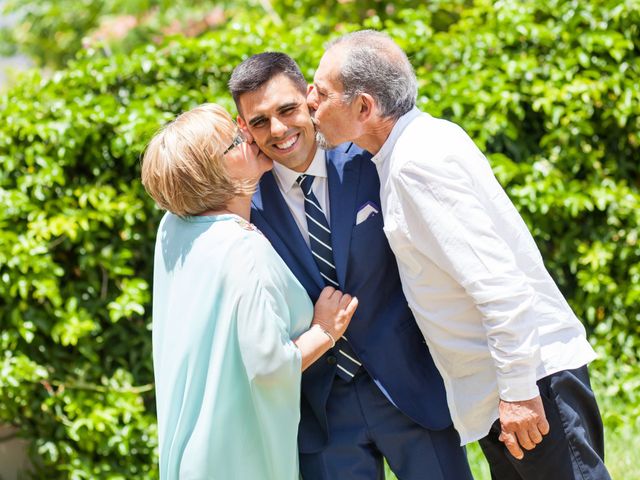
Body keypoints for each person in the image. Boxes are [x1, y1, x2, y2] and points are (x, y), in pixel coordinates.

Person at [307, 29, 611, 480]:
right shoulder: (410, 147)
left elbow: (499, 283)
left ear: (364, 108)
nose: (309, 100)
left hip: (528, 387)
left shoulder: (416, 162)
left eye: (322, 92)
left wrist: (518, 393)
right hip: (503, 390)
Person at [229, 53, 473, 480]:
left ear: (309, 99)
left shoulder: (371, 163)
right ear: (243, 127)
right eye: (260, 121)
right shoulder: (248, 207)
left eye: (287, 110)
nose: (279, 130)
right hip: (322, 416)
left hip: (410, 388)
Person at [140, 103, 358, 480]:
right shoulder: (242, 248)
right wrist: (325, 330)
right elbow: (271, 367)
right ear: (214, 173)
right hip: (239, 457)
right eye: (235, 140)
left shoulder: (171, 230)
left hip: (190, 450)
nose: (249, 135)